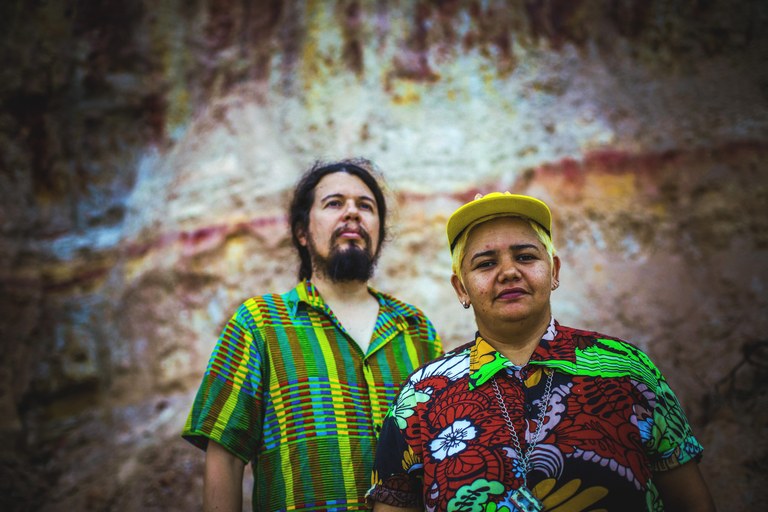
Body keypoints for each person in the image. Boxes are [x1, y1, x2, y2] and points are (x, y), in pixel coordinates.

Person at [367, 192, 716, 511]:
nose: (508, 272)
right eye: (486, 263)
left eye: (525, 256)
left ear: (554, 271)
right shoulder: (422, 395)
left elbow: (691, 502)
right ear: (461, 288)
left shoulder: (626, 369)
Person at [182, 160, 443, 512]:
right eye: (334, 203)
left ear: (379, 232)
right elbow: (225, 457)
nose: (352, 213)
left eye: (366, 206)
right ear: (302, 232)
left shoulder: (416, 329)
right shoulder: (259, 323)